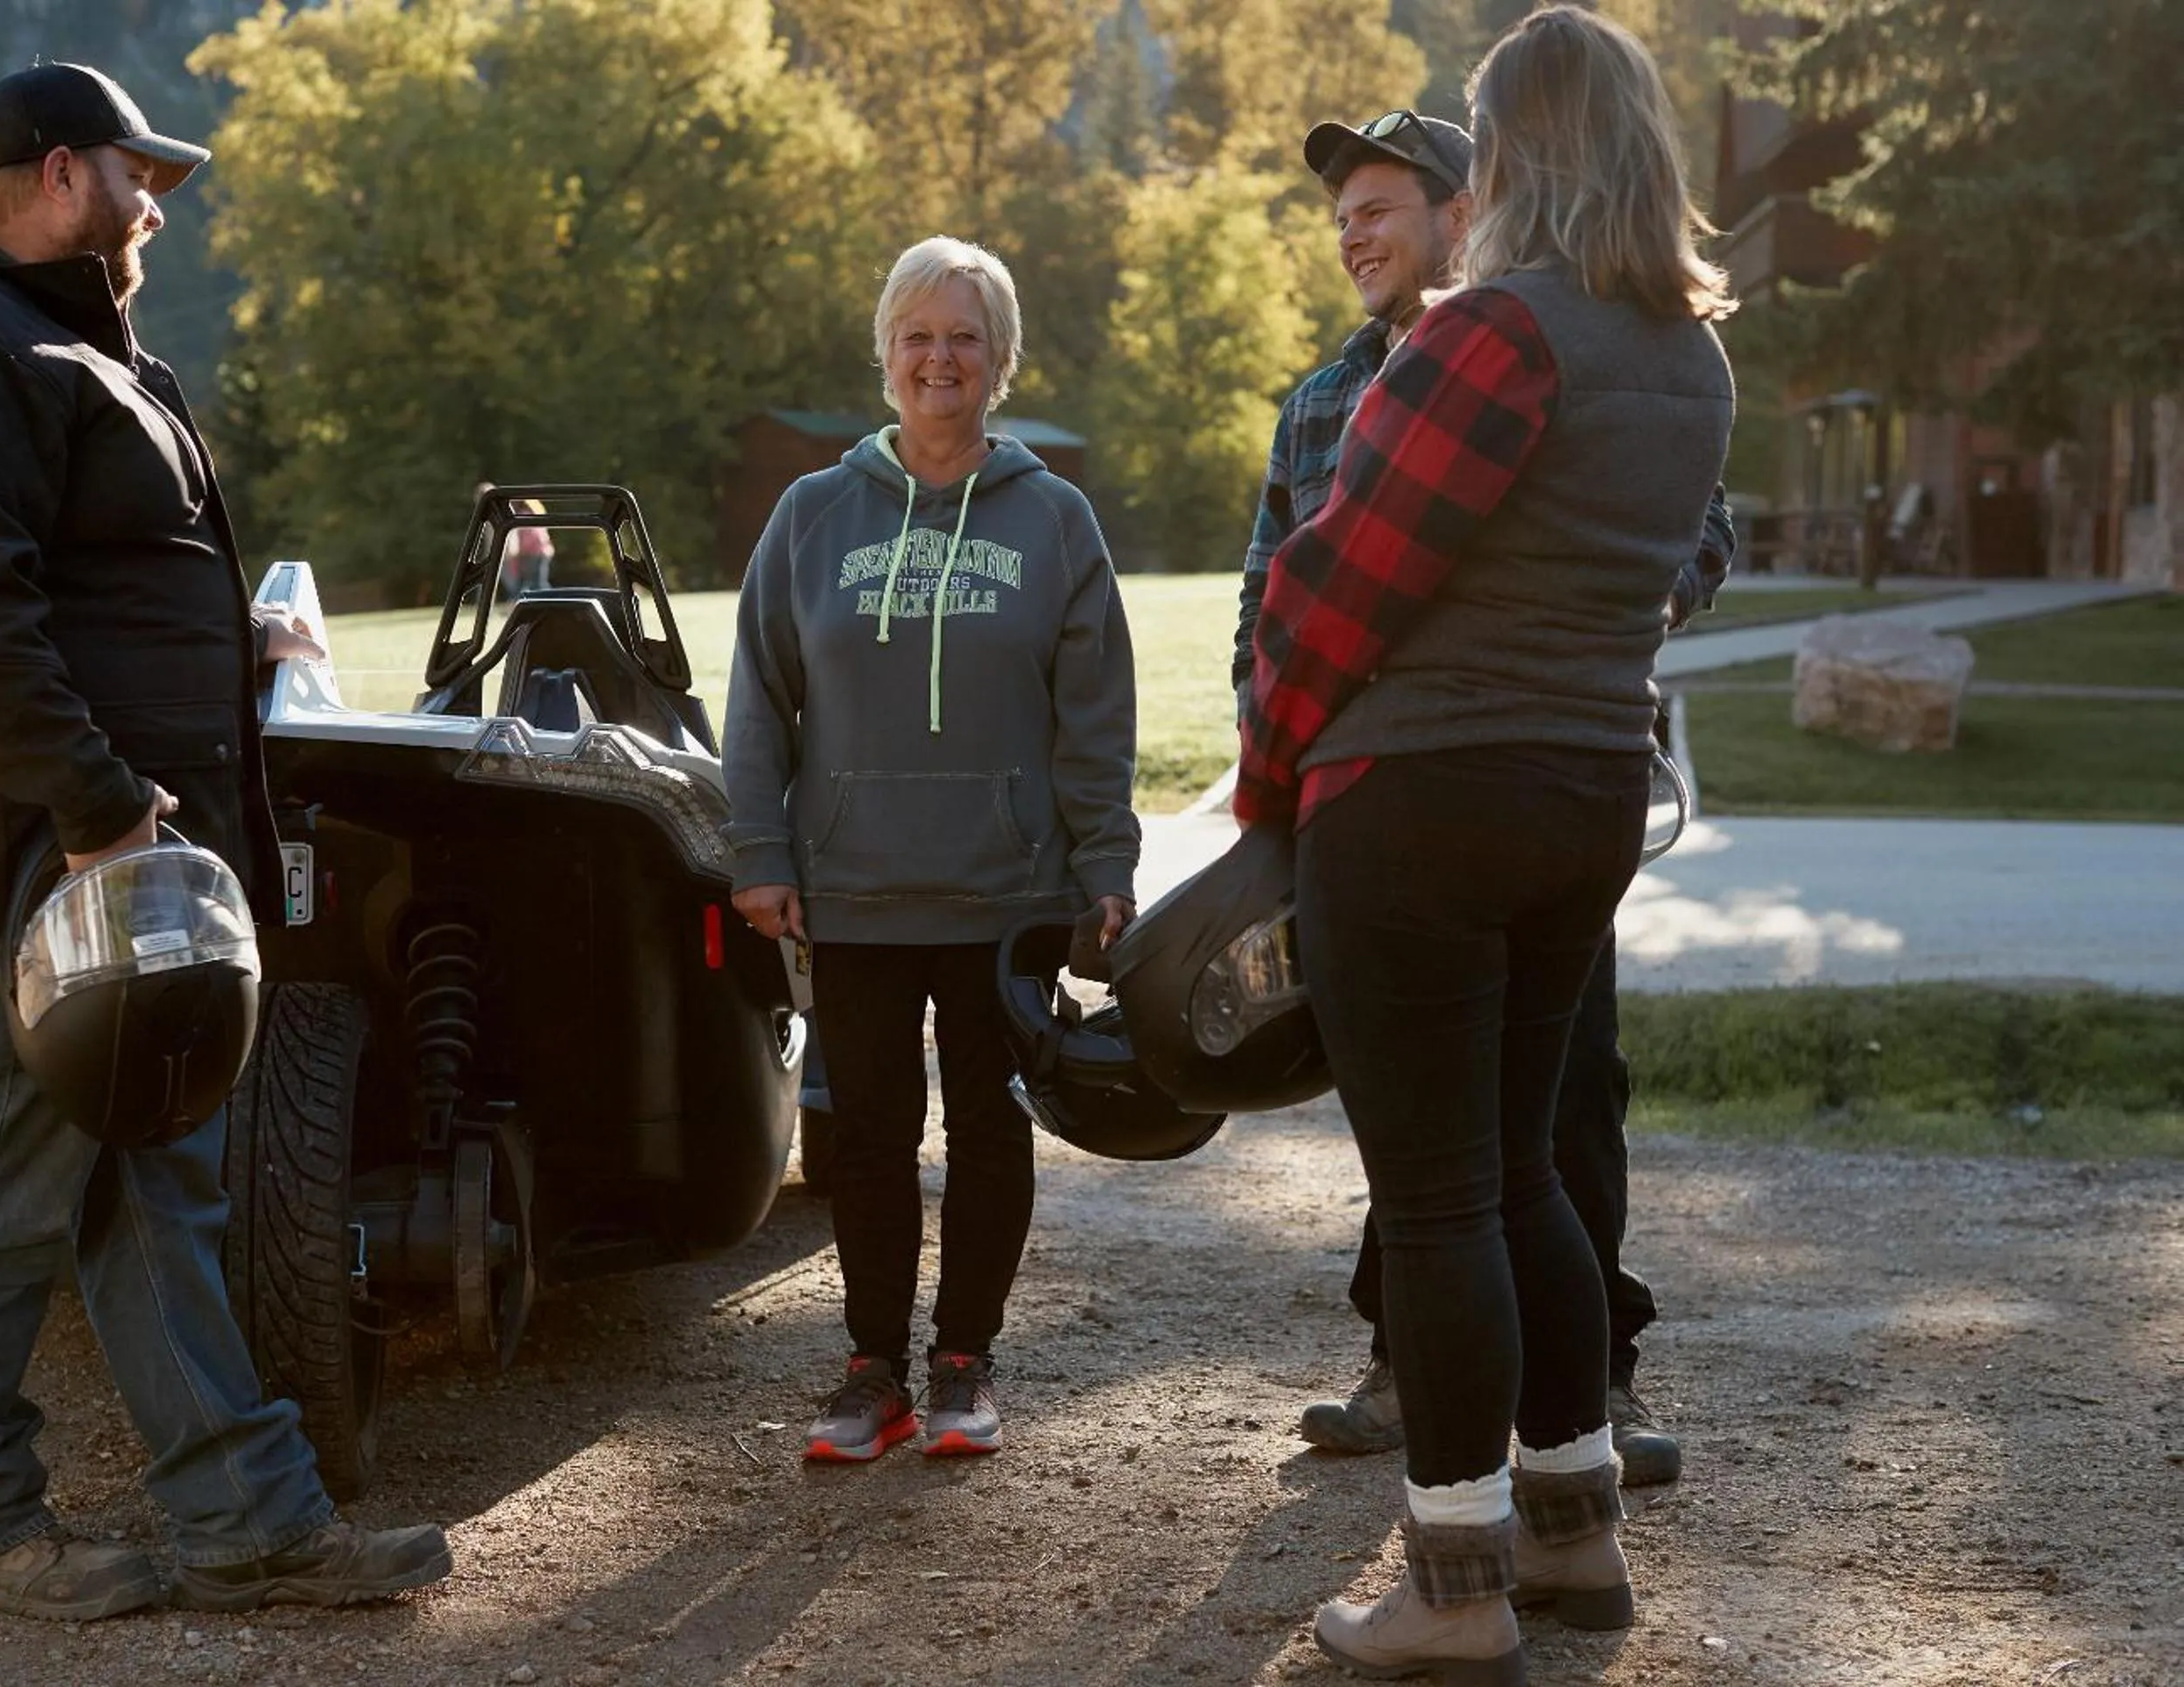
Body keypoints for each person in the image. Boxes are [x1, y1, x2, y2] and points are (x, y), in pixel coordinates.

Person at [0, 63, 451, 1621]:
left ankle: (248, 1520)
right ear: (50, 177)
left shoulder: (52, 346)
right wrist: (98, 806)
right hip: (17, 860)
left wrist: (229, 652)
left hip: (107, 871)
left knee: (154, 1193)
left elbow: (83, 597)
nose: (155, 201)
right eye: (135, 172)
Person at [1237, 8, 1735, 1676]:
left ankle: (1449, 1589)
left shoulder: (1489, 336)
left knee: (1439, 1198)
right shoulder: (1690, 356)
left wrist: (1262, 789)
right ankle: (1573, 1533)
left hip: (1423, 805)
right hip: (1585, 795)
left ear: (1515, 149)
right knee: (1524, 1178)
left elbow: (1333, 584)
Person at [723, 237, 1139, 1462]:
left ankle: (964, 1362)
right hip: (853, 884)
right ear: (886, 355)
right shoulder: (813, 514)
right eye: (918, 335)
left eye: (964, 337)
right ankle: (870, 1371)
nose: (939, 359)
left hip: (1005, 889)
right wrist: (760, 848)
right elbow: (760, 698)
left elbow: (1096, 714)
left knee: (990, 1127)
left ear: (1000, 360)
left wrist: (1103, 865)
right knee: (865, 1133)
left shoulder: (1056, 519)